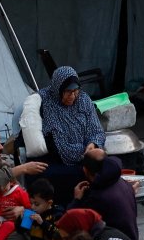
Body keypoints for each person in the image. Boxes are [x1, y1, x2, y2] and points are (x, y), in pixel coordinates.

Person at [37, 67, 105, 206]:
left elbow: (97, 130)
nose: (73, 96)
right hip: (62, 159)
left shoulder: (84, 100)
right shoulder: (49, 103)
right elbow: (61, 145)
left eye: (75, 91)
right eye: (68, 92)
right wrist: (86, 155)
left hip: (86, 154)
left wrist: (92, 145)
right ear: (58, 89)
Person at [70, 149, 138, 240]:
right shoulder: (122, 182)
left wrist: (76, 200)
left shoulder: (97, 197)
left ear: (85, 170)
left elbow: (73, 223)